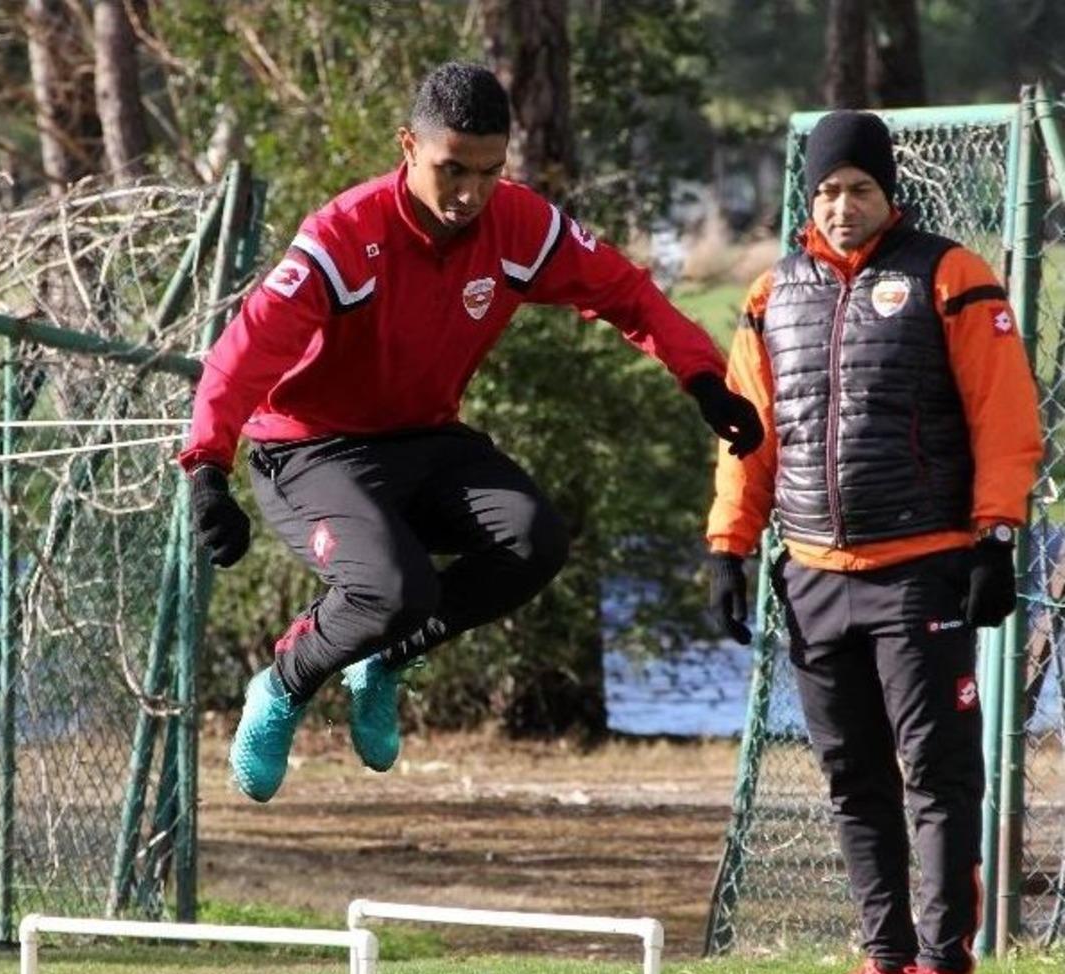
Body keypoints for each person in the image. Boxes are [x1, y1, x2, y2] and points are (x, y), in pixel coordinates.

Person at [181, 61, 762, 803]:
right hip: (309, 448)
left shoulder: (519, 225)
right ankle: (285, 682)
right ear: (408, 146)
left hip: (424, 438)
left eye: (488, 173)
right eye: (451, 169)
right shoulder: (342, 236)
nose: (468, 195)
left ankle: (384, 663)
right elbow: (246, 347)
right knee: (396, 588)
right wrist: (207, 466)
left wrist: (702, 378)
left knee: (534, 537)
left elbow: (627, 293)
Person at [706, 110, 1043, 974]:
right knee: (852, 774)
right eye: (826, 190)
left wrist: (995, 536)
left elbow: (1005, 416)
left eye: (858, 188)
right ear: (807, 199)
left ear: (889, 191)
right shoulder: (774, 295)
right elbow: (748, 435)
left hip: (922, 569)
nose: (842, 206)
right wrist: (729, 548)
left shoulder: (954, 276)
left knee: (937, 771)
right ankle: (888, 963)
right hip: (811, 573)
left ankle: (945, 972)